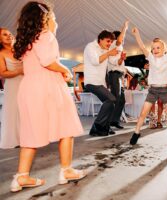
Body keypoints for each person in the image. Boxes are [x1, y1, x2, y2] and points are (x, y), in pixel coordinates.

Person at [11, 2, 86, 192]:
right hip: (48, 87)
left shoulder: (27, 40)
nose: (56, 20)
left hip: (28, 89)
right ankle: (66, 170)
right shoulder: (46, 36)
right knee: (66, 127)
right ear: (46, 18)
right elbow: (47, 61)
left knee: (30, 133)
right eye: (53, 16)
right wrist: (65, 69)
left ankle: (21, 177)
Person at [129, 26, 167, 145]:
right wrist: (137, 35)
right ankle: (136, 132)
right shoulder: (151, 58)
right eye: (153, 48)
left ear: (164, 49)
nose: (155, 50)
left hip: (164, 90)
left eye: (158, 48)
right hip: (153, 90)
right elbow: (142, 47)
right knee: (143, 114)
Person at [84, 30, 119, 136]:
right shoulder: (91, 47)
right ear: (100, 39)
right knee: (111, 99)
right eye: (108, 41)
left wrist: (120, 59)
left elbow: (113, 62)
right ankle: (96, 127)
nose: (109, 44)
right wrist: (108, 53)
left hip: (100, 83)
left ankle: (105, 128)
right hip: (91, 82)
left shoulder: (105, 50)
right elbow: (95, 61)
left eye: (111, 42)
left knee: (111, 104)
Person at [0, 28, 23, 149]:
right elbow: (3, 73)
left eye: (10, 34)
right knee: (14, 111)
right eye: (4, 35)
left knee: (26, 110)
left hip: (27, 83)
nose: (9, 36)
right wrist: (19, 70)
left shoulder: (21, 49)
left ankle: (28, 137)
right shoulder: (1, 53)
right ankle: (15, 139)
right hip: (13, 85)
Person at [108, 21, 129, 129]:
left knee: (121, 100)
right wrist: (124, 28)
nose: (122, 40)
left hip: (118, 75)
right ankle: (108, 121)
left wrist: (121, 59)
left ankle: (114, 120)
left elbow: (118, 62)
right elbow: (120, 39)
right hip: (114, 74)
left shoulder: (118, 48)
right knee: (116, 98)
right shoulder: (114, 44)